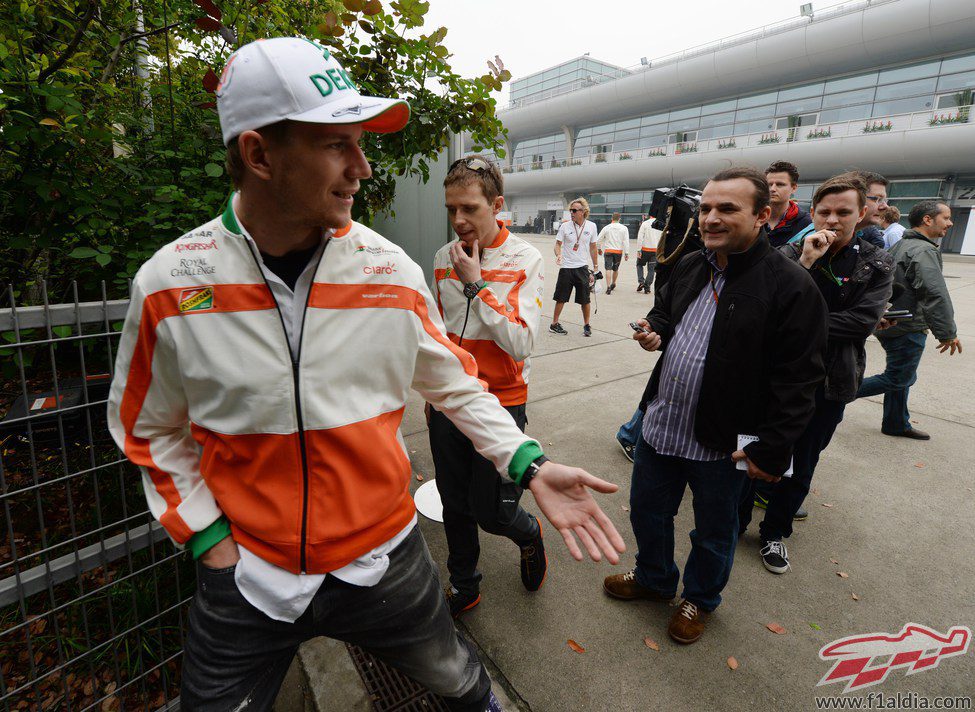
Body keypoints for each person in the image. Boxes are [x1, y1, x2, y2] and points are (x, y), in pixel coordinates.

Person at [107, 37, 625, 712]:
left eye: (360, 142)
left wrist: (525, 462)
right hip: (247, 579)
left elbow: (455, 385)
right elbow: (148, 429)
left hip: (386, 561)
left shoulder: (389, 271)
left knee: (467, 692)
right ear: (260, 155)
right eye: (336, 145)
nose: (363, 166)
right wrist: (209, 541)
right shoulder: (172, 283)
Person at [602, 167, 827, 645]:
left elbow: (800, 379)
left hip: (726, 443)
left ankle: (699, 599)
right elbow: (666, 311)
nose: (710, 218)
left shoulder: (790, 285)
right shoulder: (692, 263)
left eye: (727, 209)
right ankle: (654, 577)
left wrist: (770, 449)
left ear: (764, 216)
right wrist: (653, 329)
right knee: (647, 511)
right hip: (663, 426)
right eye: (706, 208)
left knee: (714, 531)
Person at [739, 174, 893, 574]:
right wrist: (806, 262)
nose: (833, 219)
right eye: (824, 211)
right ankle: (736, 521)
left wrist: (795, 322)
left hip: (830, 381)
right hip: (771, 377)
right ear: (812, 212)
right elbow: (765, 305)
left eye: (844, 212)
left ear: (862, 214)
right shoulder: (791, 253)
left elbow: (859, 323)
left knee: (803, 462)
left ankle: (774, 532)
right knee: (751, 450)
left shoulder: (873, 264)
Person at [429, 155, 546, 618]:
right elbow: (438, 333)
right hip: (450, 403)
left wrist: (477, 286)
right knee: (454, 505)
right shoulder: (443, 257)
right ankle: (465, 584)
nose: (459, 221)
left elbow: (521, 342)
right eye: (451, 209)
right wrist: (434, 397)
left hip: (501, 402)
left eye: (470, 209)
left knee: (492, 510)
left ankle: (530, 533)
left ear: (496, 205)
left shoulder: (525, 257)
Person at [856, 200, 963, 439]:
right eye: (945, 217)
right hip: (906, 325)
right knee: (900, 376)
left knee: (901, 375)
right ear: (928, 219)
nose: (950, 222)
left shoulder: (903, 244)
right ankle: (833, 394)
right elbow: (934, 292)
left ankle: (896, 422)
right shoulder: (923, 250)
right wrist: (947, 332)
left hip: (893, 321)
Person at [550, 198, 598, 337]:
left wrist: (595, 267)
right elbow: (557, 244)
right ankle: (554, 323)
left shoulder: (591, 226)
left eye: (575, 210)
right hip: (566, 267)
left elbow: (593, 247)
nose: (571, 212)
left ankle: (587, 325)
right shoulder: (565, 226)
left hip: (582, 267)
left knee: (585, 299)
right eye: (570, 210)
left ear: (583, 212)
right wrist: (558, 255)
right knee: (561, 297)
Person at [765, 161, 812, 247]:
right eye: (769, 184)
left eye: (779, 184)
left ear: (793, 188)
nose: (772, 189)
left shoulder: (807, 224)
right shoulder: (753, 217)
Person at [596, 212, 630, 294]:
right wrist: (626, 253)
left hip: (608, 251)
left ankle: (608, 287)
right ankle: (613, 283)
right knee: (615, 269)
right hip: (618, 252)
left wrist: (599, 249)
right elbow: (626, 241)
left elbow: (598, 239)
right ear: (619, 219)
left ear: (612, 218)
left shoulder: (606, 227)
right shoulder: (624, 228)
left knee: (608, 269)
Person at [635, 214, 660, 294]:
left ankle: (641, 282)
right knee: (651, 269)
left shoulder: (645, 223)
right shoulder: (661, 224)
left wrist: (639, 250)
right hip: (655, 250)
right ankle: (647, 286)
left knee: (639, 264)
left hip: (645, 249)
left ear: (650, 215)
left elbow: (640, 237)